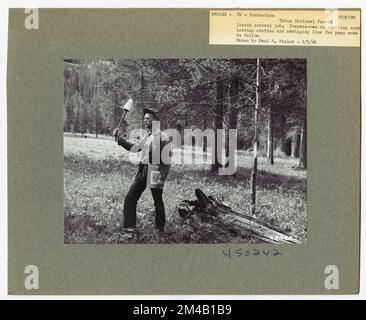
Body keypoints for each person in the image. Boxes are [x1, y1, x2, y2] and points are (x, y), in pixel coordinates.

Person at [113, 108, 171, 235]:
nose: (145, 120)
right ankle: (129, 229)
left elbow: (166, 161)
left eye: (147, 118)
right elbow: (134, 148)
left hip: (155, 171)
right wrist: (120, 139)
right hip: (142, 170)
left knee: (157, 202)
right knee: (130, 198)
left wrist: (162, 178)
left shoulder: (163, 137)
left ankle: (160, 230)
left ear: (155, 120)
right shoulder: (147, 136)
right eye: (144, 118)